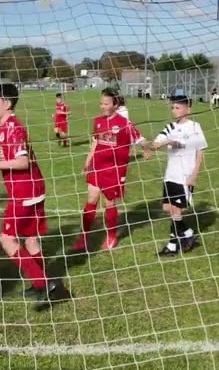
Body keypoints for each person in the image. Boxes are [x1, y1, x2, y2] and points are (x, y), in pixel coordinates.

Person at [0, 83, 69, 308]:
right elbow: (16, 155)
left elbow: (22, 162)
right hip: (34, 188)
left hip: (24, 191)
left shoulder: (12, 128)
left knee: (6, 239)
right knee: (31, 239)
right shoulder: (7, 127)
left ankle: (44, 282)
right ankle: (44, 286)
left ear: (7, 103)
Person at [73, 88, 135, 252]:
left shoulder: (124, 123)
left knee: (109, 203)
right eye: (101, 103)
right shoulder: (98, 121)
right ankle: (83, 236)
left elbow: (135, 139)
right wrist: (87, 162)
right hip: (97, 166)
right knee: (91, 198)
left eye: (106, 103)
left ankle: (112, 236)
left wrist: (149, 148)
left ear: (115, 104)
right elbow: (95, 143)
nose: (102, 106)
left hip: (113, 169)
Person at [147, 95, 208, 257]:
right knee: (168, 208)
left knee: (176, 210)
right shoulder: (170, 128)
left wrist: (194, 175)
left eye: (178, 107)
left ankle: (172, 246)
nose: (174, 111)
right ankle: (188, 234)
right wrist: (168, 142)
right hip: (170, 175)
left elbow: (200, 152)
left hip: (184, 176)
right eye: (173, 107)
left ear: (188, 109)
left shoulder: (195, 127)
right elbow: (153, 145)